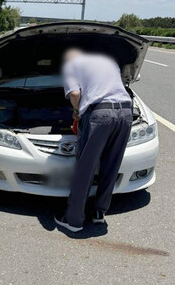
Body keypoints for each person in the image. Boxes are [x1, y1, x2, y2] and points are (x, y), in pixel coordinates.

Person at [55, 48, 133, 232]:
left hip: (100, 114)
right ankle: (99, 213)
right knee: (111, 165)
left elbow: (75, 95)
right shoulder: (109, 61)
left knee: (86, 167)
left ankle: (73, 220)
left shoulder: (71, 66)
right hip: (126, 112)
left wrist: (76, 112)